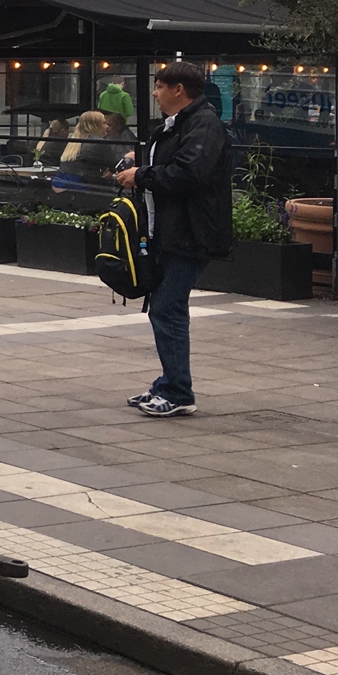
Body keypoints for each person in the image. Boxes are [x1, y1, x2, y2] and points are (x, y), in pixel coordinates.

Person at [115, 63, 233, 419]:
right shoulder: (179, 124)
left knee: (167, 307)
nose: (154, 93)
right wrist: (140, 161)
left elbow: (189, 171)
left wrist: (142, 175)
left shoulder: (203, 124)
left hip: (191, 233)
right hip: (171, 232)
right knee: (166, 307)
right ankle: (169, 383)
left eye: (159, 86)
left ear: (178, 89)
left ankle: (178, 391)